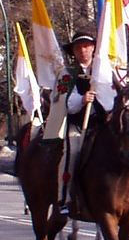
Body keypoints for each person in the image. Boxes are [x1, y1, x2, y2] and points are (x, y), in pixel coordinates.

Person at [42, 33, 101, 219]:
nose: (83, 50)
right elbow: (63, 101)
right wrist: (82, 100)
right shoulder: (67, 74)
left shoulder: (103, 71)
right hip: (78, 124)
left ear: (93, 48)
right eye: (78, 47)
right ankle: (64, 198)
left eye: (86, 46)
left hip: (101, 124)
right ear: (74, 52)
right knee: (72, 153)